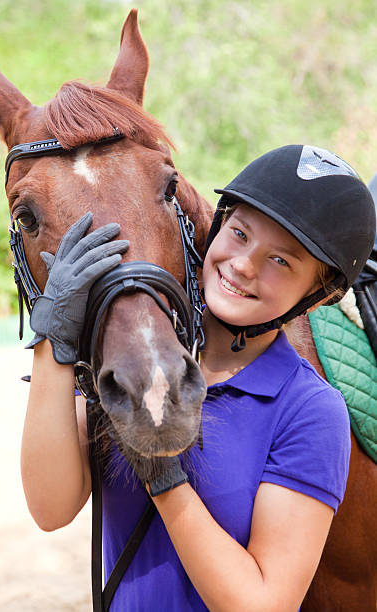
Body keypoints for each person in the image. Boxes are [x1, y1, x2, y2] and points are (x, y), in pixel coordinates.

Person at [21, 144, 376, 611]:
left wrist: (164, 478)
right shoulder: (140, 356)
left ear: (317, 292)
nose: (245, 264)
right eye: (241, 234)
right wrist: (53, 342)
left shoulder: (311, 409)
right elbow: (50, 509)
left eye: (281, 261)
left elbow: (262, 604)